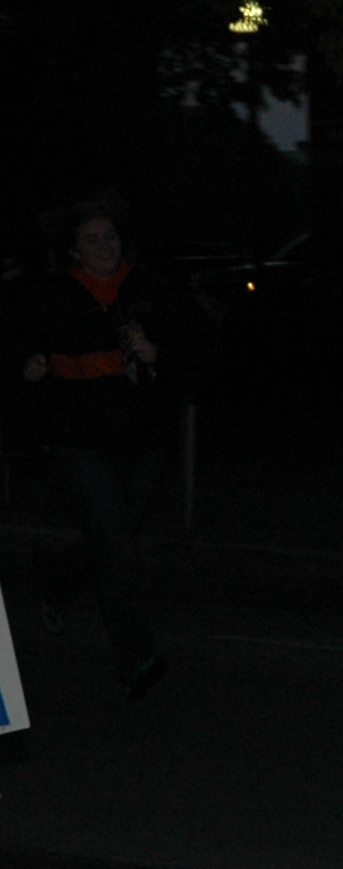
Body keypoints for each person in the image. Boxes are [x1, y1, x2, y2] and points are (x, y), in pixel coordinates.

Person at [9, 195, 184, 696]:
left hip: (143, 438)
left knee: (113, 539)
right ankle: (137, 657)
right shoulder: (50, 295)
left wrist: (162, 353)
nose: (103, 245)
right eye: (91, 239)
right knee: (119, 549)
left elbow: (195, 348)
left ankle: (61, 575)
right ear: (73, 250)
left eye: (110, 236)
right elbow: (16, 342)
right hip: (78, 440)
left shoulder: (149, 290)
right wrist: (28, 364)